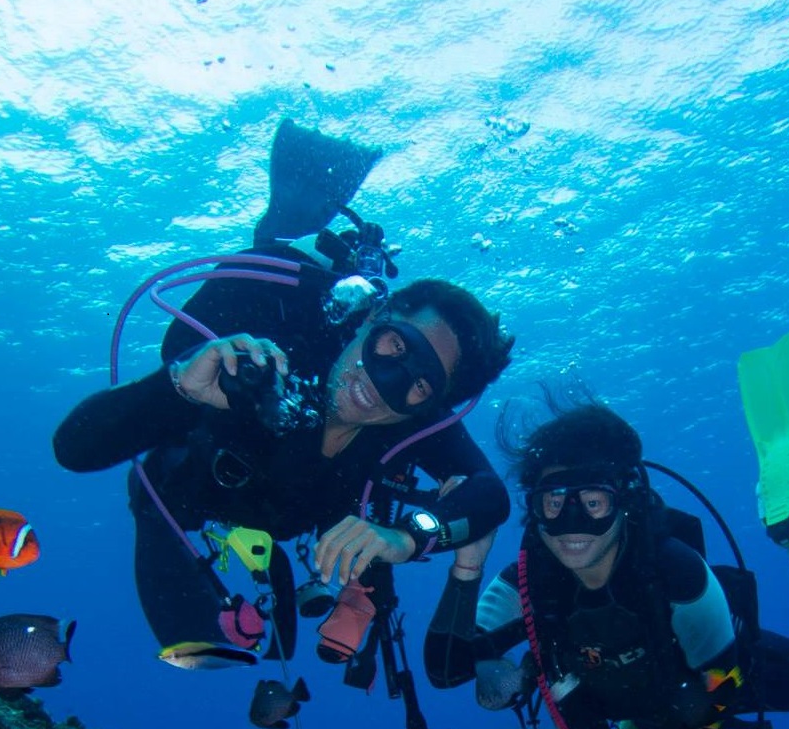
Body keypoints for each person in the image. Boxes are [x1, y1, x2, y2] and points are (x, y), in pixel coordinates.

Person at [54, 120, 515, 668]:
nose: (381, 387)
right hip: (198, 493)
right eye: (395, 346)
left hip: (291, 522)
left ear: (433, 402)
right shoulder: (270, 347)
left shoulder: (414, 421)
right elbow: (74, 450)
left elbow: (491, 495)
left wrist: (407, 537)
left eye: (419, 383)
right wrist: (177, 389)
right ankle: (293, 206)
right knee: (159, 482)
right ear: (374, 315)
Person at [425, 355, 789, 729]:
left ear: (624, 500)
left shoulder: (676, 572)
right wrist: (467, 568)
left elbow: (721, 690)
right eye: (552, 501)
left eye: (592, 502)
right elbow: (446, 671)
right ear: (533, 505)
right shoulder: (528, 581)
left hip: (702, 684)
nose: (571, 525)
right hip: (640, 707)